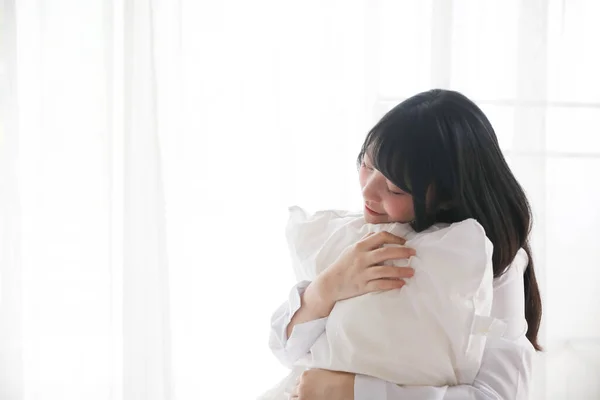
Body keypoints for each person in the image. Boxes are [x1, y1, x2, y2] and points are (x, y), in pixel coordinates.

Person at [268, 89, 542, 400]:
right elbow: (286, 348)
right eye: (367, 165)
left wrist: (355, 391)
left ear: (446, 196)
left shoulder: (485, 264)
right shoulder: (358, 235)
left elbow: (498, 395)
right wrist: (330, 285)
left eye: (395, 188)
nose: (368, 192)